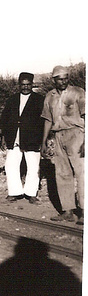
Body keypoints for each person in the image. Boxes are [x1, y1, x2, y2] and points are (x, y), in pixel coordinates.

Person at [41, 65, 85, 224]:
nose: (63, 81)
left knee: (81, 174)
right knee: (62, 173)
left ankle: (84, 211)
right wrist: (44, 141)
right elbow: (47, 120)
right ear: (54, 80)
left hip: (76, 134)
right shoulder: (50, 96)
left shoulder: (78, 92)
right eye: (60, 79)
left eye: (66, 78)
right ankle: (68, 211)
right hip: (58, 136)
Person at [0, 72, 45, 203]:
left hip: (32, 139)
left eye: (28, 85)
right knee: (10, 165)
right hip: (13, 137)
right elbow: (5, 118)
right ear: (19, 85)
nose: (25, 87)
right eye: (23, 85)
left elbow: (43, 121)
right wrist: (2, 137)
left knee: (33, 166)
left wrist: (43, 139)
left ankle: (31, 193)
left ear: (32, 85)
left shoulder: (39, 100)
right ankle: (14, 192)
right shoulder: (12, 99)